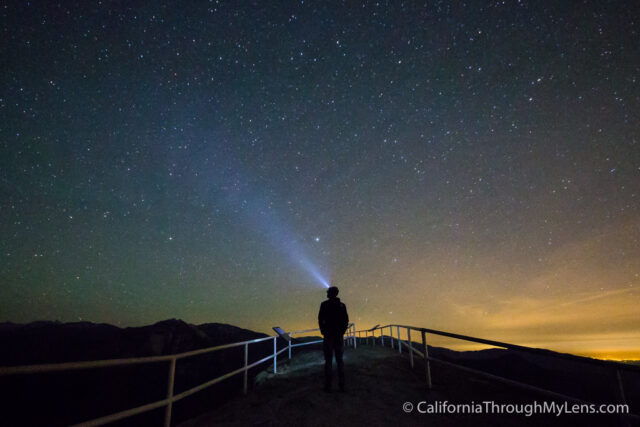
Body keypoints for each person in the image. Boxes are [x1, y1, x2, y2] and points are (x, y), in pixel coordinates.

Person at [318, 285, 349, 392]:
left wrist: (323, 331)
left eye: (328, 292)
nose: (326, 293)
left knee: (328, 361)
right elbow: (346, 321)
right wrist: (341, 332)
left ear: (331, 293)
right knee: (340, 360)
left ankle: (328, 386)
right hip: (338, 336)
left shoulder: (324, 305)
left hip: (328, 336)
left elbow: (320, 318)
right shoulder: (342, 306)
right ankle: (342, 385)